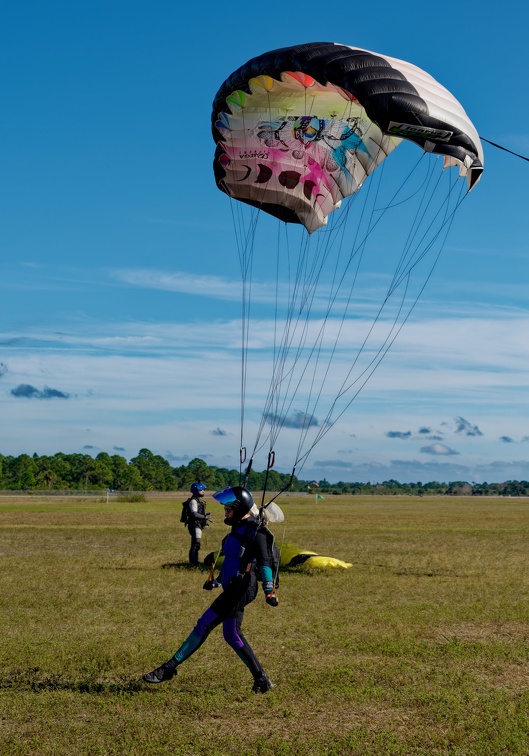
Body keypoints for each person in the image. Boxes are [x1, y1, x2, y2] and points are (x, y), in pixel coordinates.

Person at [143, 485, 276, 693]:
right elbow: (234, 561)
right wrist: (217, 581)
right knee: (231, 634)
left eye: (228, 510)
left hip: (241, 590)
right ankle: (261, 679)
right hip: (231, 586)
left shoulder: (255, 533)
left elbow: (265, 562)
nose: (225, 513)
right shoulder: (238, 527)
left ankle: (168, 668)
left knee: (204, 624)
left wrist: (269, 589)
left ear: (240, 510)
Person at [185, 482, 211, 567]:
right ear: (195, 491)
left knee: (196, 544)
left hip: (197, 524)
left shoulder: (198, 500)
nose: (203, 491)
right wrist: (205, 517)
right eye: (201, 490)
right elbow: (194, 514)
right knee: (196, 544)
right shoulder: (193, 501)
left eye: (203, 490)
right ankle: (193, 563)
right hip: (194, 525)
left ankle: (194, 562)